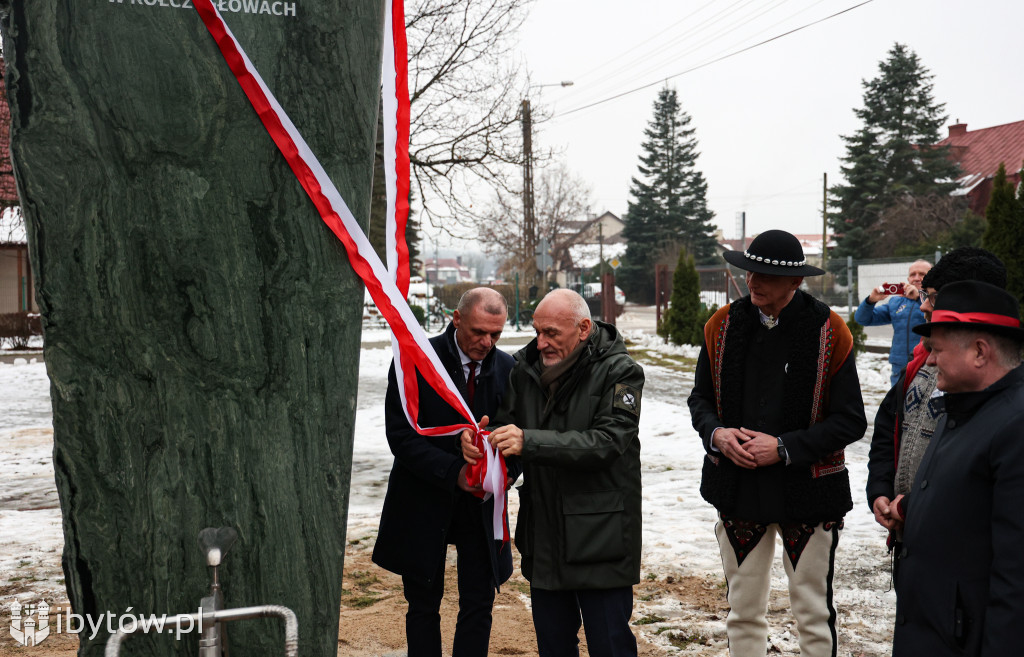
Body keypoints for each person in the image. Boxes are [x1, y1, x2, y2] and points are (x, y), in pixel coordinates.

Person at [687, 229, 867, 657]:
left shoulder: (830, 330)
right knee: (742, 609)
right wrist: (717, 434)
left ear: (796, 282)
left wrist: (784, 447)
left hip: (808, 491)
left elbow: (851, 420)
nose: (753, 281)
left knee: (813, 613)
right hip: (739, 487)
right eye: (750, 271)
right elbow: (700, 399)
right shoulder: (721, 326)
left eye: (765, 275)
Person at [461, 288, 645, 657]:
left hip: (600, 540)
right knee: (553, 647)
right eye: (537, 331)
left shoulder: (621, 371)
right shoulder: (523, 370)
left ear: (583, 328)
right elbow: (506, 429)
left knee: (609, 646)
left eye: (552, 333)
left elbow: (608, 441)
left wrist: (528, 442)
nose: (541, 342)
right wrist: (482, 448)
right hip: (543, 536)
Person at [372, 287, 519, 657]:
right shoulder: (415, 359)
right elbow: (401, 436)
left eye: (496, 334)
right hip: (423, 499)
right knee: (423, 604)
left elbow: (518, 438)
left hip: (480, 507)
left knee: (479, 602)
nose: (487, 342)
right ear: (456, 318)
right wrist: (455, 466)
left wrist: (498, 467)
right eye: (478, 332)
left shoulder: (508, 369)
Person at [891, 280, 1024, 656]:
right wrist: (912, 510)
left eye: (937, 350)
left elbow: (1016, 575)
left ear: (980, 352)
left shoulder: (1015, 425)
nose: (929, 360)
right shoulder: (963, 408)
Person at [865, 247, 1006, 546]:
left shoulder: (997, 390)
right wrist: (880, 488)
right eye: (924, 294)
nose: (924, 307)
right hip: (911, 542)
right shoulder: (921, 364)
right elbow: (887, 430)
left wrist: (911, 505)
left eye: (932, 296)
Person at [855, 259, 932, 385]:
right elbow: (862, 319)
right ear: (908, 279)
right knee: (897, 403)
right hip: (900, 366)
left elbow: (937, 316)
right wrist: (870, 301)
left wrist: (919, 297)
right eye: (913, 274)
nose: (917, 278)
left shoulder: (937, 300)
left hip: (927, 363)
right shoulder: (896, 302)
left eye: (922, 274)